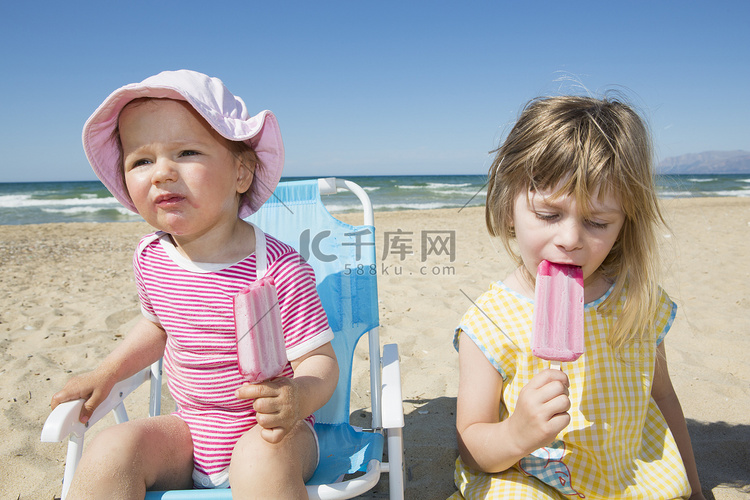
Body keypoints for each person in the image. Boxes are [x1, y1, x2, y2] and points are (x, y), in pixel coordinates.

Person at [51, 70, 338, 500]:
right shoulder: (152, 257)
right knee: (111, 448)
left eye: (185, 152)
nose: (161, 173)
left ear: (241, 173)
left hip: (275, 432)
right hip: (191, 430)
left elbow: (320, 361)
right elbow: (156, 327)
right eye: (140, 160)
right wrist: (106, 373)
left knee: (259, 460)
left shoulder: (277, 268)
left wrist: (298, 397)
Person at [451, 95, 705, 499]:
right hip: (532, 476)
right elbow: (471, 444)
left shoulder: (637, 300)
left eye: (598, 222)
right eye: (549, 215)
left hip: (627, 474)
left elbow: (663, 397)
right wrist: (517, 433)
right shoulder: (489, 321)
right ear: (508, 204)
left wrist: (695, 487)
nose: (570, 240)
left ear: (625, 224)